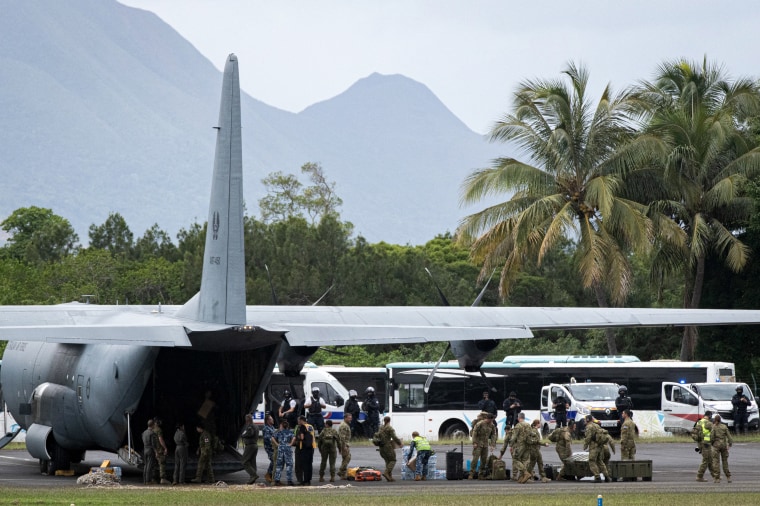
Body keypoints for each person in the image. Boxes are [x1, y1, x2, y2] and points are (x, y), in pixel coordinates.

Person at [583, 415, 610, 482]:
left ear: (587, 420)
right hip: (600, 446)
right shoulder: (597, 425)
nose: (584, 421)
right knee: (600, 461)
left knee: (592, 461)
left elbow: (588, 437)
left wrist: (585, 445)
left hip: (593, 447)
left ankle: (597, 477)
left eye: (585, 419)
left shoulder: (588, 427)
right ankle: (607, 476)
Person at [469, 413, 495, 480]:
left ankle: (481, 475)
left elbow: (493, 435)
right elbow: (474, 433)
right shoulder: (480, 424)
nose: (492, 421)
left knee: (484, 460)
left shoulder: (492, 425)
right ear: (488, 419)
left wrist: (492, 444)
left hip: (485, 445)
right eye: (491, 420)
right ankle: (471, 474)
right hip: (478, 444)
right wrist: (474, 442)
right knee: (475, 459)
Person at [376, 415, 402, 482]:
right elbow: (394, 437)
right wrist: (399, 443)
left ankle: (389, 477)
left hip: (381, 446)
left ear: (384, 420)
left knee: (388, 461)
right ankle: (386, 473)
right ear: (389, 421)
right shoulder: (390, 428)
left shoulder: (381, 427)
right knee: (393, 460)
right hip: (387, 446)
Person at [509, 412, 532, 483]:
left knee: (515, 459)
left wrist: (511, 445)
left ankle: (525, 473)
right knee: (525, 460)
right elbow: (531, 434)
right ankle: (522, 477)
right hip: (528, 444)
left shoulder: (518, 426)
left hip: (520, 445)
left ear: (519, 418)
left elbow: (514, 437)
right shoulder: (528, 425)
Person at [272, 420, 296, 486]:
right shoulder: (290, 432)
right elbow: (294, 438)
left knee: (279, 465)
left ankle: (277, 480)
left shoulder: (279, 432)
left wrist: (277, 444)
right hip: (287, 448)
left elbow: (273, 437)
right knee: (289, 465)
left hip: (280, 448)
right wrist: (291, 443)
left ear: (282, 426)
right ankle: (289, 480)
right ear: (287, 426)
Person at [710, 414, 733, 483]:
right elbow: (729, 437)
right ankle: (728, 477)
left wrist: (712, 443)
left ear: (715, 420)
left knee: (715, 462)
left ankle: (717, 478)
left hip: (716, 445)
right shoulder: (724, 427)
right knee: (725, 462)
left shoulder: (714, 427)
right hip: (723, 445)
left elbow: (711, 437)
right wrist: (729, 444)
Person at [294, 415, 317, 485]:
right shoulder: (311, 426)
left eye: (299, 420)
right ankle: (308, 480)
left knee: (303, 465)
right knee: (309, 464)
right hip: (312, 447)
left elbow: (301, 437)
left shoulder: (302, 427)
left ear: (301, 420)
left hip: (304, 447)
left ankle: (304, 481)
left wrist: (297, 437)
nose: (298, 422)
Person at [694, 410, 715, 482]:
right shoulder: (708, 423)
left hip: (700, 443)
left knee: (710, 459)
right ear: (709, 416)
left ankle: (715, 475)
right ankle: (699, 476)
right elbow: (714, 432)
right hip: (706, 443)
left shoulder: (699, 422)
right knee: (706, 460)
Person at [240, 413, 259, 484]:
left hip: (250, 446)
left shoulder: (250, 427)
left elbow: (250, 433)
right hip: (255, 445)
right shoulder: (256, 426)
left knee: (244, 462)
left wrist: (243, 435)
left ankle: (253, 475)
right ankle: (253, 479)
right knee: (252, 462)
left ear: (247, 420)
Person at [153, 417, 171, 484]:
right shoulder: (158, 430)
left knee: (154, 464)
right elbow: (160, 439)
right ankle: (162, 479)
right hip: (159, 449)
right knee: (162, 464)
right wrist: (165, 447)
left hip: (153, 449)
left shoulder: (151, 429)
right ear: (156, 422)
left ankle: (153, 478)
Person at [262, 414, 277, 484]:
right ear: (268, 421)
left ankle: (271, 475)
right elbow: (267, 438)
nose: (273, 420)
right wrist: (275, 441)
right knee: (274, 461)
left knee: (275, 461)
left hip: (274, 448)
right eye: (271, 419)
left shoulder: (272, 427)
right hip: (270, 448)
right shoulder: (266, 428)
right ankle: (268, 474)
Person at [141, 419, 157, 485]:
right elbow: (153, 444)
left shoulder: (144, 432)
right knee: (149, 466)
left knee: (146, 465)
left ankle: (144, 480)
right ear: (152, 425)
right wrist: (156, 452)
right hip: (150, 450)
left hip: (145, 449)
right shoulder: (152, 433)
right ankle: (148, 481)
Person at [338, 413, 353, 479]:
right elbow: (342, 437)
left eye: (351, 418)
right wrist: (344, 446)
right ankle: (341, 471)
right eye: (349, 418)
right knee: (348, 457)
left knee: (345, 459)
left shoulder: (346, 425)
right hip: (344, 444)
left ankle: (343, 475)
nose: (350, 419)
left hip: (345, 444)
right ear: (345, 418)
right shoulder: (344, 426)